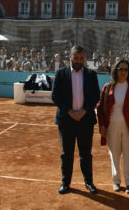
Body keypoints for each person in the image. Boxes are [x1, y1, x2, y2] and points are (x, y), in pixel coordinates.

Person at [51, 46, 100, 195]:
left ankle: (89, 182)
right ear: (70, 57)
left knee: (86, 153)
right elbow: (55, 96)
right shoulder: (60, 73)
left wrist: (84, 111)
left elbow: (95, 95)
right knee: (67, 154)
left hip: (85, 120)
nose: (79, 61)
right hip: (66, 120)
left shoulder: (91, 74)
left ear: (84, 59)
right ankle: (65, 183)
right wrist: (70, 112)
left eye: (81, 58)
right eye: (76, 58)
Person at [96, 60, 129, 194]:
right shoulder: (108, 87)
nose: (123, 72)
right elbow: (100, 108)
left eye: (126, 70)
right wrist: (102, 125)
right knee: (114, 153)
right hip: (112, 124)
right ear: (116, 70)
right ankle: (116, 181)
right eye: (121, 69)